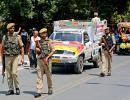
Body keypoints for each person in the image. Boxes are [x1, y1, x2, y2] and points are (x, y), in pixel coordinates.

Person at [1, 23, 24, 95]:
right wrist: (2, 58)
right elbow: (2, 48)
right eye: (11, 28)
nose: (12, 29)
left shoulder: (18, 36)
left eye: (13, 28)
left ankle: (17, 88)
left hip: (15, 56)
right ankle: (11, 89)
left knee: (14, 73)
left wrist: (22, 58)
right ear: (8, 29)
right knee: (8, 74)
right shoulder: (5, 37)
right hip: (7, 57)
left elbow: (22, 47)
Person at [34, 28, 55, 98]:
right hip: (40, 60)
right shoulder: (38, 42)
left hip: (47, 60)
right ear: (40, 34)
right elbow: (35, 51)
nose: (44, 34)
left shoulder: (49, 41)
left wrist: (47, 57)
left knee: (49, 75)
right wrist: (37, 49)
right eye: (42, 33)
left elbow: (53, 50)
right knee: (39, 76)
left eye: (45, 33)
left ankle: (50, 88)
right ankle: (39, 90)